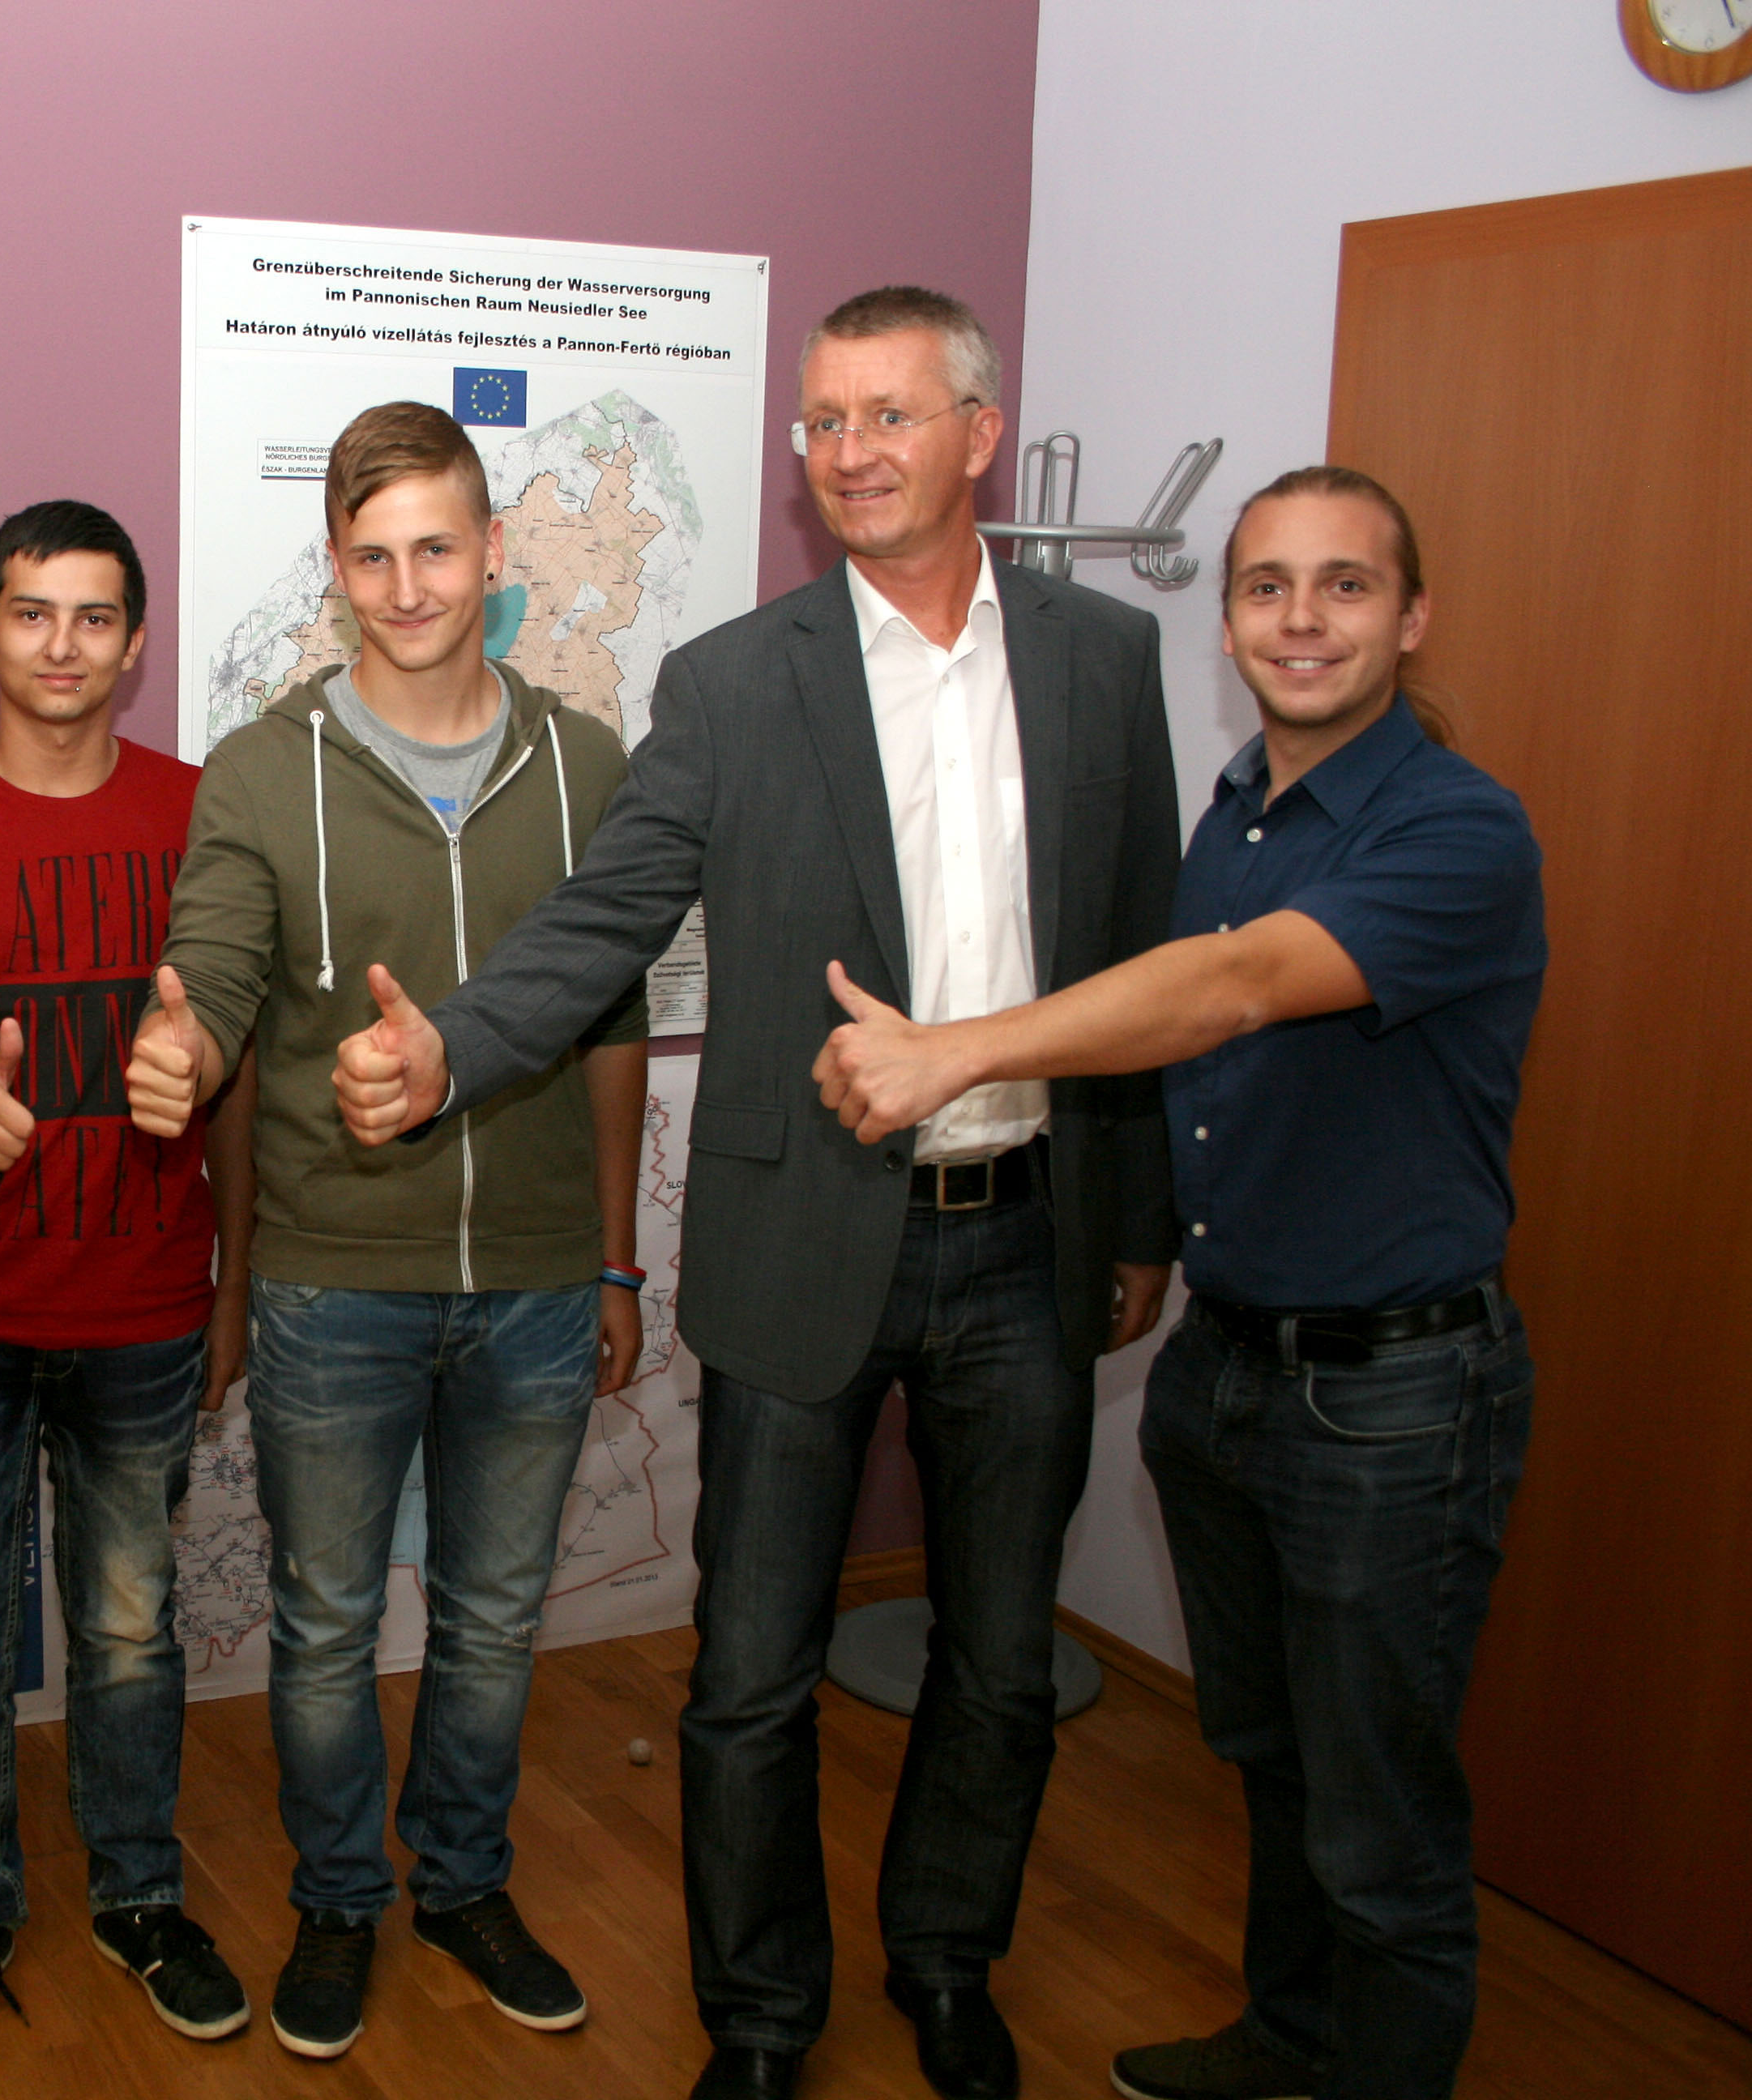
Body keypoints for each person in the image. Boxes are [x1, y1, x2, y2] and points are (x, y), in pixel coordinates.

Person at [335, 287, 1183, 2100]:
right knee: (748, 1672)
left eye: (886, 414)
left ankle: (946, 1964)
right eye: (822, 423)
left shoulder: (1106, 661)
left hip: (1030, 1234)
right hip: (803, 1237)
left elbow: (1145, 952)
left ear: (977, 431)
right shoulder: (732, 680)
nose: (848, 452)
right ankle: (763, 2015)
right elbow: (609, 914)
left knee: (1001, 1662)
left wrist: (1141, 1222)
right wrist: (455, 1048)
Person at [812, 467, 1544, 2100]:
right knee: (1275, 1764)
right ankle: (1289, 2041)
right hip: (1229, 1373)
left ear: (1412, 618)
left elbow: (1232, 991)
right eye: (1267, 586)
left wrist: (957, 1053)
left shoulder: (1458, 829)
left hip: (1392, 1397)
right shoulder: (1239, 818)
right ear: (1227, 624)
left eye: (1346, 585)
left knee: (1382, 1826)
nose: (1302, 619)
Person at [127, 401, 648, 2061]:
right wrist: (182, 1046)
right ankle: (341, 1898)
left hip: (540, 1283)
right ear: (335, 571)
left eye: (437, 547)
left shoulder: (588, 764)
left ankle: (466, 1884)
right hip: (335, 1285)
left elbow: (615, 1028)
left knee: (495, 1623)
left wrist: (618, 1254)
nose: (408, 586)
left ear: (494, 554)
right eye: (373, 556)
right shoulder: (262, 769)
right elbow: (215, 979)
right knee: (328, 1624)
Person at [0, 499, 258, 2064]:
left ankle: (141, 1897)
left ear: (135, 644)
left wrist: (233, 1276)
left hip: (143, 1307)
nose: (61, 645)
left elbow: (238, 1066)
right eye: (31, 613)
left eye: (93, 617)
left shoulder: (204, 812)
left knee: (132, 1635)